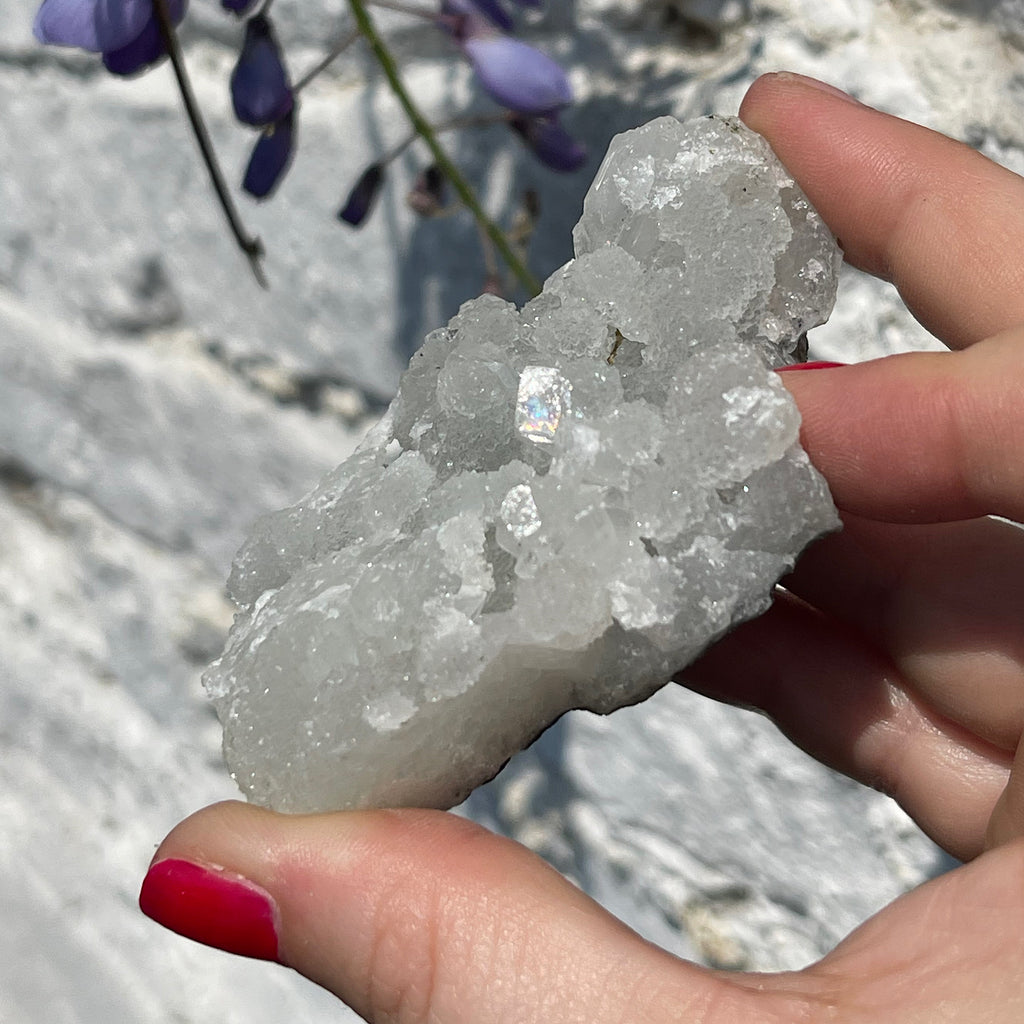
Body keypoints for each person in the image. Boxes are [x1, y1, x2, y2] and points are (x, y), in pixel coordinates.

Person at [138, 72, 1024, 1021]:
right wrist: (517, 415)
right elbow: (540, 417)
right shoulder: (569, 379)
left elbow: (562, 434)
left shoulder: (703, 426)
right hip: (449, 573)